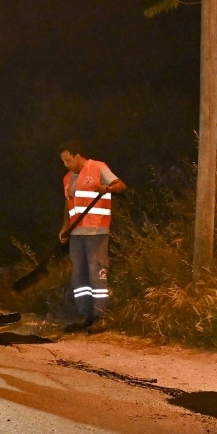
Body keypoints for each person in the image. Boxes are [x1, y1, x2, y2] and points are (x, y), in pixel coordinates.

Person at [58, 141, 126, 333]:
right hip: (76, 233)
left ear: (78, 156)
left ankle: (101, 316)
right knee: (78, 276)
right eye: (63, 161)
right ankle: (84, 315)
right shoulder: (67, 178)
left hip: (96, 232)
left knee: (97, 273)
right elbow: (68, 205)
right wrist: (65, 227)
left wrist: (108, 188)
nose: (66, 164)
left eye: (68, 160)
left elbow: (121, 185)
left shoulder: (98, 168)